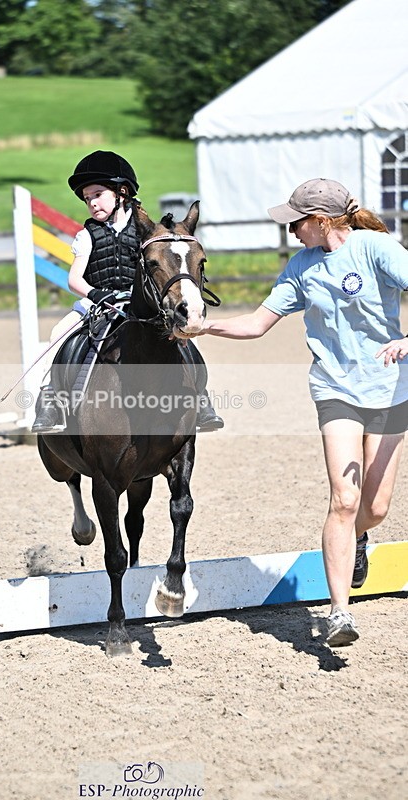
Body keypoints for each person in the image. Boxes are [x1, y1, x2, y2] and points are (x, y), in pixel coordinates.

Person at [175, 178, 408, 647]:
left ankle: (359, 540)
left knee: (375, 508)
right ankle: (339, 613)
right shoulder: (300, 267)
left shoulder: (377, 249)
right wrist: (207, 328)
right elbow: (260, 323)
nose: (291, 232)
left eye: (297, 223)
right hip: (334, 389)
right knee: (344, 499)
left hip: (390, 391)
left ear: (322, 221)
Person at [32, 149, 223, 434]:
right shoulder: (87, 236)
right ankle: (49, 400)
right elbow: (74, 279)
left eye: (97, 194)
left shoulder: (148, 232)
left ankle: (201, 397)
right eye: (87, 199)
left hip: (141, 302)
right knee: (58, 333)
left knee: (183, 336)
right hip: (97, 303)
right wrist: (95, 294)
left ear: (121, 192)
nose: (91, 203)